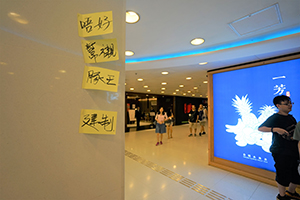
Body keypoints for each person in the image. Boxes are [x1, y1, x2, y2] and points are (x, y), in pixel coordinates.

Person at [258, 95, 300, 200]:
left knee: (295, 173)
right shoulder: (275, 117)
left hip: (293, 150)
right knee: (282, 173)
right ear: (278, 106)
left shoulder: (291, 117)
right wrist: (276, 129)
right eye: (286, 104)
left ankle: (291, 192)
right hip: (281, 151)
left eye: (290, 103)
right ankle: (281, 196)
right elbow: (261, 128)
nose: (290, 105)